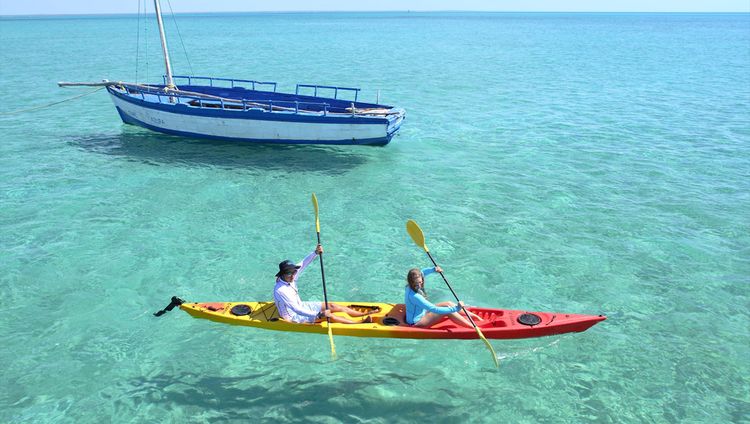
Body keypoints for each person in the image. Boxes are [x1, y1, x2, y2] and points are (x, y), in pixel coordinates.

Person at [273, 244, 373, 324]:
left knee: (332, 306)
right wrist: (319, 314)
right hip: (293, 317)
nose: (293, 276)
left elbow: (303, 264)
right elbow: (296, 309)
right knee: (329, 316)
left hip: (302, 306)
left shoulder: (291, 276)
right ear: (283, 274)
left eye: (294, 272)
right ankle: (359, 322)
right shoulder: (281, 290)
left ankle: (361, 314)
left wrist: (315, 253)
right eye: (289, 273)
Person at [404, 266, 483, 328]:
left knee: (448, 303)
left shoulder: (408, 285)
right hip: (417, 322)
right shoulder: (415, 296)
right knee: (448, 311)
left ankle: (474, 317)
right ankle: (473, 327)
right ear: (411, 282)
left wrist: (433, 269)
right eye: (416, 284)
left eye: (420, 282)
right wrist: (457, 308)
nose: (419, 285)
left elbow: (422, 272)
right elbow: (434, 309)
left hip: (422, 312)